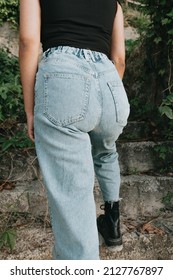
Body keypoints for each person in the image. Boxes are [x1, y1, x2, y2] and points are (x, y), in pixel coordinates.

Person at [19, 0, 130, 260]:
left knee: (73, 197)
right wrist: (100, 97)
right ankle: (112, 219)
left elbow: (28, 41)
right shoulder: (114, 3)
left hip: (64, 77)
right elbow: (120, 60)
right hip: (111, 86)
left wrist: (30, 110)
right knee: (106, 151)